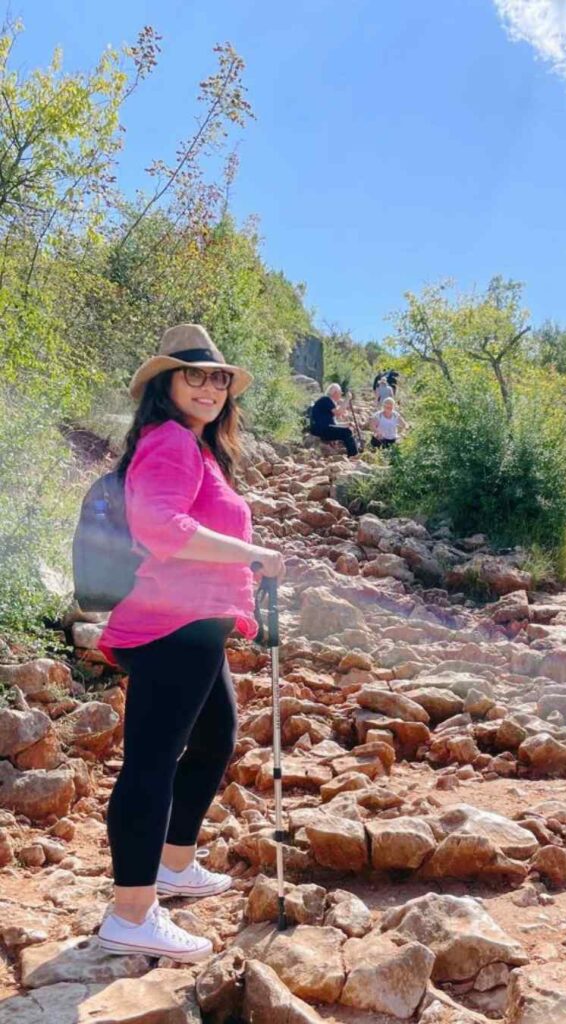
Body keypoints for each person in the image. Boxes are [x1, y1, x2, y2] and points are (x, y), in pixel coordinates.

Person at [95, 324, 285, 963]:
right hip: (171, 621)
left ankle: (174, 866)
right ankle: (131, 911)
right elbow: (161, 527)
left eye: (218, 377)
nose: (210, 386)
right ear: (165, 385)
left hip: (198, 621)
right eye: (194, 374)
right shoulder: (170, 440)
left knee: (214, 740)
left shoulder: (199, 449)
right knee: (151, 760)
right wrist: (254, 552)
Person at [309, 383, 359, 456]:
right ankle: (353, 455)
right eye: (340, 393)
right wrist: (347, 399)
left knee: (348, 429)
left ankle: (352, 453)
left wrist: (347, 424)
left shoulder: (328, 402)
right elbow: (339, 413)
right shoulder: (326, 399)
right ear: (335, 393)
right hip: (322, 429)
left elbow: (334, 424)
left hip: (325, 428)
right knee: (347, 432)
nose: (341, 395)